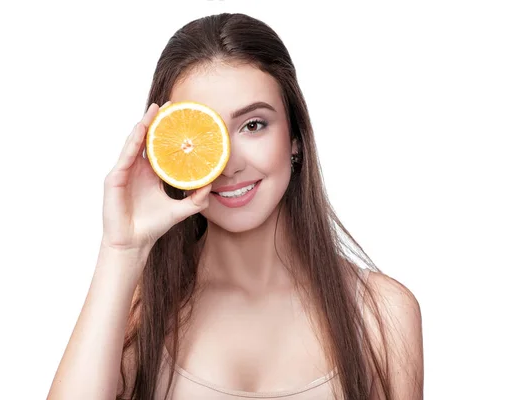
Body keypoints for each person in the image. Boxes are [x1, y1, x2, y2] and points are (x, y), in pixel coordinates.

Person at [47, 12, 423, 400]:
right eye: (203, 134)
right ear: (167, 149)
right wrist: (121, 250)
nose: (229, 163)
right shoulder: (135, 314)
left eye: (253, 125)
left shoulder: (383, 314)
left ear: (295, 137)